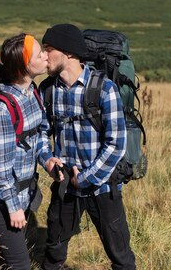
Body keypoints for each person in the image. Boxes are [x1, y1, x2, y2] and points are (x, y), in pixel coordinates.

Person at [38, 24, 137, 270]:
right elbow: (41, 132)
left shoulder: (104, 89)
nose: (43, 55)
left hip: (102, 188)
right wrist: (47, 160)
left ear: (69, 53)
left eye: (49, 49)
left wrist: (85, 178)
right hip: (65, 188)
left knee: (121, 257)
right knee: (53, 254)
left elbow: (116, 143)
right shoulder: (47, 90)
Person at [0, 33, 51, 269]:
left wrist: (47, 159)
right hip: (2, 202)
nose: (45, 56)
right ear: (24, 67)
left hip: (23, 194)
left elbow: (38, 134)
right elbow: (0, 171)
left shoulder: (33, 93)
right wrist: (13, 208)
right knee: (20, 264)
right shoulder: (2, 110)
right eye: (39, 54)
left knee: (8, 261)